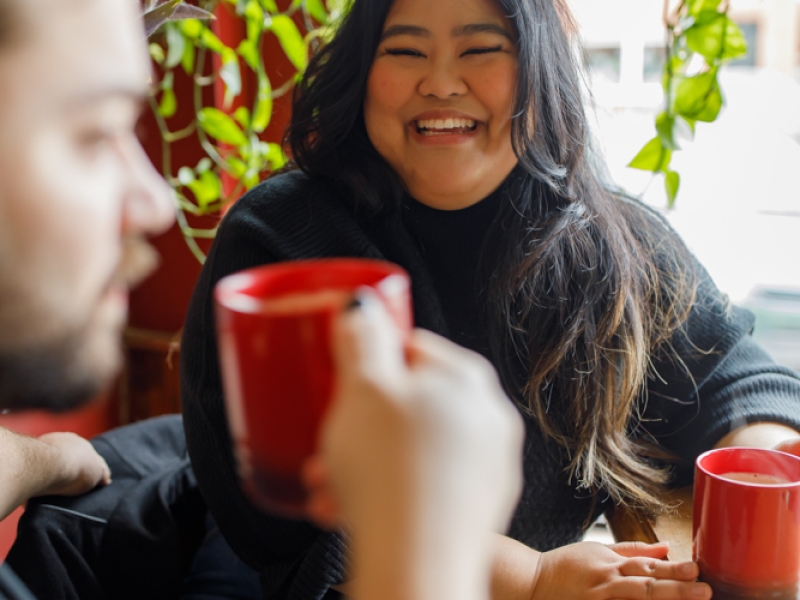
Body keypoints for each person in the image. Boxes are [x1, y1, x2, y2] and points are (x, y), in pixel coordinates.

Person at [180, 0, 800, 598]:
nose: (442, 82)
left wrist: (769, 464)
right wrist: (530, 580)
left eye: (480, 48)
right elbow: (309, 518)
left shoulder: (606, 238)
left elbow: (728, 374)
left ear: (539, 74)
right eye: (404, 50)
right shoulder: (277, 242)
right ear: (362, 72)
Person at [0, 2, 546, 600]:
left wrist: (39, 462)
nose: (158, 203)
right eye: (95, 131)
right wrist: (433, 558)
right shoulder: (276, 228)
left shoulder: (621, 252)